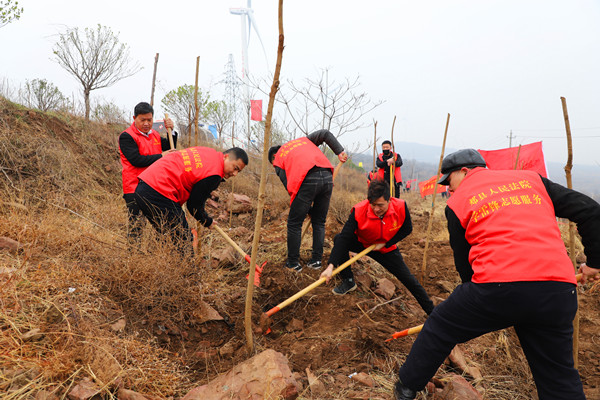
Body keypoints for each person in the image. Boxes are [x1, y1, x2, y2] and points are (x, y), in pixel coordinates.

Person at [394, 149, 600, 400]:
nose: (450, 188)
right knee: (558, 376)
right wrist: (595, 262)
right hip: (557, 290)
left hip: (498, 287)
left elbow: (465, 265)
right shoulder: (532, 181)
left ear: (465, 171)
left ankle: (405, 388)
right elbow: (591, 210)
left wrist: (481, 304)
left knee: (440, 325)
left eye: (450, 181)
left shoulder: (459, 202)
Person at [319, 180, 434, 314]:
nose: (376, 209)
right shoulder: (359, 211)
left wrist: (387, 243)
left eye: (380, 205)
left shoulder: (401, 207)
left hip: (385, 249)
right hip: (363, 243)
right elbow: (344, 238)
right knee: (339, 239)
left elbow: (407, 229)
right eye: (373, 205)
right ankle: (349, 281)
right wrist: (330, 266)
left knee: (409, 280)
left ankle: (432, 312)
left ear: (389, 200)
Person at [134, 146, 248, 254]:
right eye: (235, 168)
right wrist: (207, 221)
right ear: (226, 156)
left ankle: (161, 266)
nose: (235, 174)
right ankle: (187, 273)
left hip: (145, 186)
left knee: (167, 235)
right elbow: (194, 205)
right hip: (159, 191)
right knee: (183, 237)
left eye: (238, 171)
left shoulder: (209, 153)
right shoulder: (215, 173)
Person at [268, 130, 348, 272]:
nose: (275, 166)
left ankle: (293, 263)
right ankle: (316, 261)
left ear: (274, 156)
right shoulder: (303, 140)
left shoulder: (279, 158)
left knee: (294, 223)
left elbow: (290, 188)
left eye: (273, 163)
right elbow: (324, 133)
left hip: (307, 178)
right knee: (319, 221)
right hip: (327, 176)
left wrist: (305, 209)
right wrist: (339, 151)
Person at [119, 102, 177, 242]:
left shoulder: (155, 135)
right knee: (137, 226)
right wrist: (162, 156)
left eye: (149, 120)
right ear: (134, 118)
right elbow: (136, 160)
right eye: (142, 120)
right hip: (134, 188)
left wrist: (172, 131)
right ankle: (133, 256)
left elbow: (170, 146)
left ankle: (155, 253)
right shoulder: (127, 136)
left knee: (161, 224)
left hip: (154, 187)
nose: (146, 123)